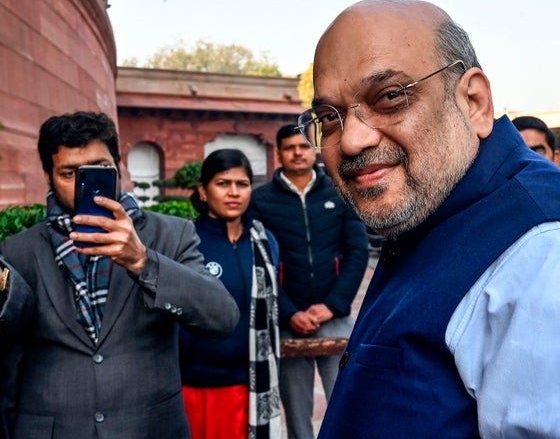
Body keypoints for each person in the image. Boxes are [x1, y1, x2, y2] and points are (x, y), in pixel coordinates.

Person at [297, 0, 560, 438]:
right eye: (327, 118)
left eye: (391, 97)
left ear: (474, 102)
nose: (350, 140)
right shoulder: (437, 217)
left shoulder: (558, 262)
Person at [0, 111, 240, 439]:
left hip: (150, 428)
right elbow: (9, 359)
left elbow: (221, 317)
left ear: (119, 164)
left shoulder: (171, 234)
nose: (84, 184)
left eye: (99, 169)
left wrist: (143, 261)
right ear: (48, 175)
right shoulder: (17, 252)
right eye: (70, 173)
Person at [246, 124, 368, 439]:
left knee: (348, 402)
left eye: (302, 146)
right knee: (298, 415)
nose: (297, 153)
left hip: (333, 315)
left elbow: (357, 251)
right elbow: (261, 262)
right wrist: (288, 312)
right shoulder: (261, 201)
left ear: (311, 148)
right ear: (279, 153)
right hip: (288, 320)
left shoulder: (340, 190)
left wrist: (331, 305)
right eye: (289, 147)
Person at [180, 148, 282, 439]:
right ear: (203, 190)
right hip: (198, 387)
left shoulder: (265, 242)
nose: (233, 192)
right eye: (223, 183)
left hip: (254, 384)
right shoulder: (185, 241)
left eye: (242, 184)